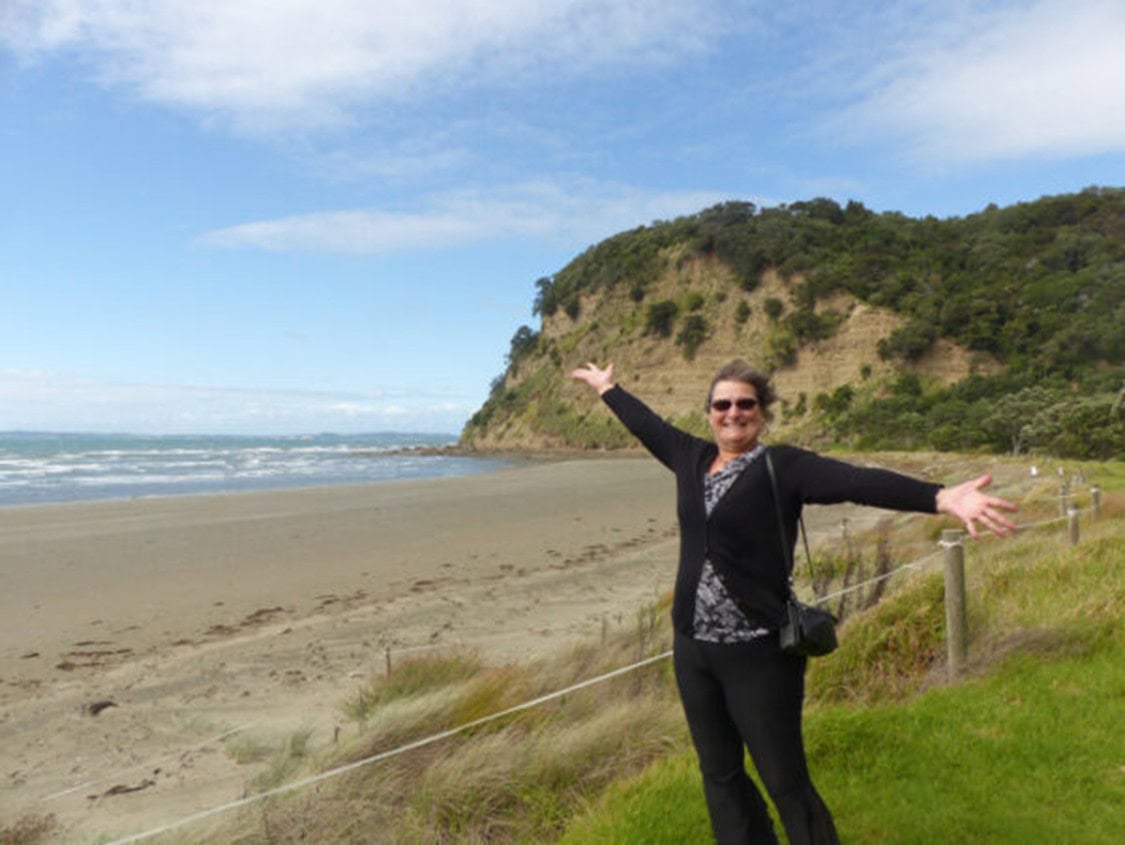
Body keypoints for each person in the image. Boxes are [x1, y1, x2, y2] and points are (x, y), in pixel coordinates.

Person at [570, 359, 1017, 845]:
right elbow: (648, 426)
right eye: (723, 404)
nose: (733, 413)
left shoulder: (782, 467)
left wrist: (940, 498)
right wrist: (608, 388)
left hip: (759, 654)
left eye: (746, 404)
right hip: (693, 649)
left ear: (761, 413)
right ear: (709, 412)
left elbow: (857, 482)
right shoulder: (691, 458)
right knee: (719, 774)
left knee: (785, 780)